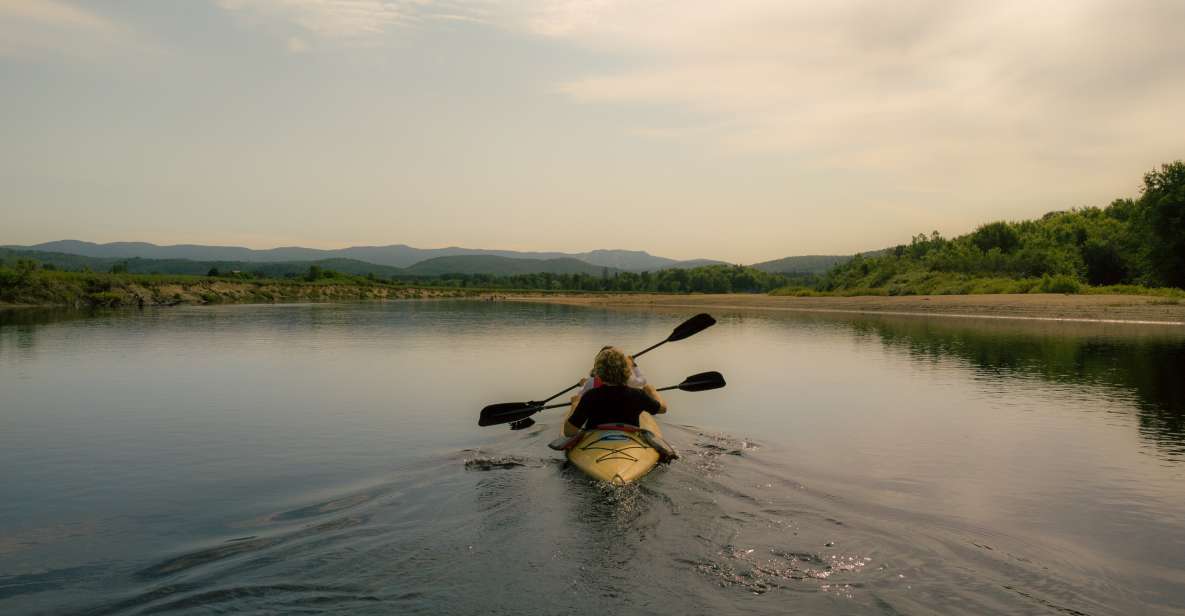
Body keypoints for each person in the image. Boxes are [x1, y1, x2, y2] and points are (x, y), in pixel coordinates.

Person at [562, 346, 666, 438]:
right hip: (630, 439)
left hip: (595, 439)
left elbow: (569, 432)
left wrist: (575, 404)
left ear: (598, 372)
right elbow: (662, 409)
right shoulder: (638, 395)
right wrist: (652, 391)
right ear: (627, 370)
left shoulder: (590, 396)